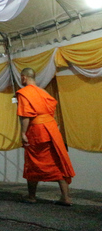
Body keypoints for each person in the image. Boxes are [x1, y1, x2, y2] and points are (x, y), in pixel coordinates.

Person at [16, 68, 75, 206]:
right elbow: (52, 114)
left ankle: (32, 196)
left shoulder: (24, 93)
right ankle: (66, 197)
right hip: (52, 130)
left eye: (21, 78)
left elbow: (26, 116)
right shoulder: (44, 92)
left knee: (32, 162)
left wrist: (23, 133)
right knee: (57, 161)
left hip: (37, 132)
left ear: (24, 78)